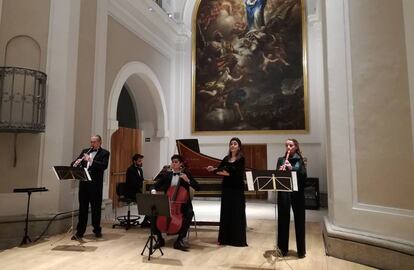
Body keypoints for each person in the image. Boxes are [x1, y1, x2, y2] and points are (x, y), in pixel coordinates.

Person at [151, 155, 200, 251]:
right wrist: (153, 191)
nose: (174, 163)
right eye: (172, 162)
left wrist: (188, 180)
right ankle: (160, 239)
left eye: (176, 162)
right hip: (168, 203)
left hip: (182, 204)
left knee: (189, 213)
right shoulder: (167, 175)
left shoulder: (186, 174)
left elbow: (198, 187)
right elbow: (154, 185)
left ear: (181, 163)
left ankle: (180, 239)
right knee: (152, 213)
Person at [207, 137, 248, 247]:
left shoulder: (241, 158)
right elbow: (220, 170)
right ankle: (224, 239)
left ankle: (237, 240)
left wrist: (224, 172)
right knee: (226, 212)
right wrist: (213, 169)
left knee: (237, 213)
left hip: (237, 189)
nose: (232, 146)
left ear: (239, 147)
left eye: (235, 144)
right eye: (231, 144)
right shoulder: (226, 158)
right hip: (227, 188)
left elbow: (237, 173)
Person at [71, 135, 110, 240]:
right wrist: (75, 164)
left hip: (95, 186)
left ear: (100, 142)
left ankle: (97, 230)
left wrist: (91, 161)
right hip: (84, 185)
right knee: (82, 208)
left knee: (96, 208)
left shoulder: (105, 153)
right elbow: (74, 163)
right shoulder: (85, 151)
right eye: (91, 142)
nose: (92, 144)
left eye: (94, 142)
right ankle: (80, 232)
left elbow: (103, 166)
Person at [276, 138, 307, 258]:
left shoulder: (300, 160)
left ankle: (301, 251)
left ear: (296, 147)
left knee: (299, 221)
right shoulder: (281, 160)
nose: (288, 148)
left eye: (291, 145)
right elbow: (276, 177)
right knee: (283, 220)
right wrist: (280, 171)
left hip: (297, 193)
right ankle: (282, 249)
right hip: (284, 192)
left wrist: (292, 169)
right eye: (286, 145)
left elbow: (304, 177)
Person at [125, 153, 150, 227]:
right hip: (131, 192)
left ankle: (146, 221)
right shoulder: (130, 170)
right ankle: (145, 222)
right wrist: (143, 184)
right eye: (139, 161)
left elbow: (141, 181)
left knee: (151, 199)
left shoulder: (140, 169)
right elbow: (133, 183)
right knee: (148, 201)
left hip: (137, 191)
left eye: (141, 161)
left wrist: (147, 182)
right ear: (134, 161)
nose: (141, 162)